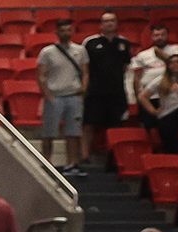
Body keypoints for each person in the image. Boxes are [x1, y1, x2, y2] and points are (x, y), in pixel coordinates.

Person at [41, 19, 90, 170]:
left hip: (74, 95)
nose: (66, 33)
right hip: (55, 95)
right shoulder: (47, 52)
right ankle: (46, 162)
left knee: (73, 132)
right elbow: (41, 75)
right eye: (62, 30)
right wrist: (47, 94)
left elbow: (85, 72)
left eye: (69, 30)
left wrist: (83, 89)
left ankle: (72, 162)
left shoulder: (80, 50)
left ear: (72, 31)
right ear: (57, 32)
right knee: (49, 132)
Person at [87, 13, 134, 164]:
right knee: (90, 123)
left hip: (116, 93)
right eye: (106, 21)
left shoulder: (124, 43)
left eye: (112, 21)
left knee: (116, 126)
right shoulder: (90, 42)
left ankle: (114, 160)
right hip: (95, 92)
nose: (109, 24)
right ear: (100, 25)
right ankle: (86, 156)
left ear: (116, 23)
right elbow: (84, 67)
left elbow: (126, 66)